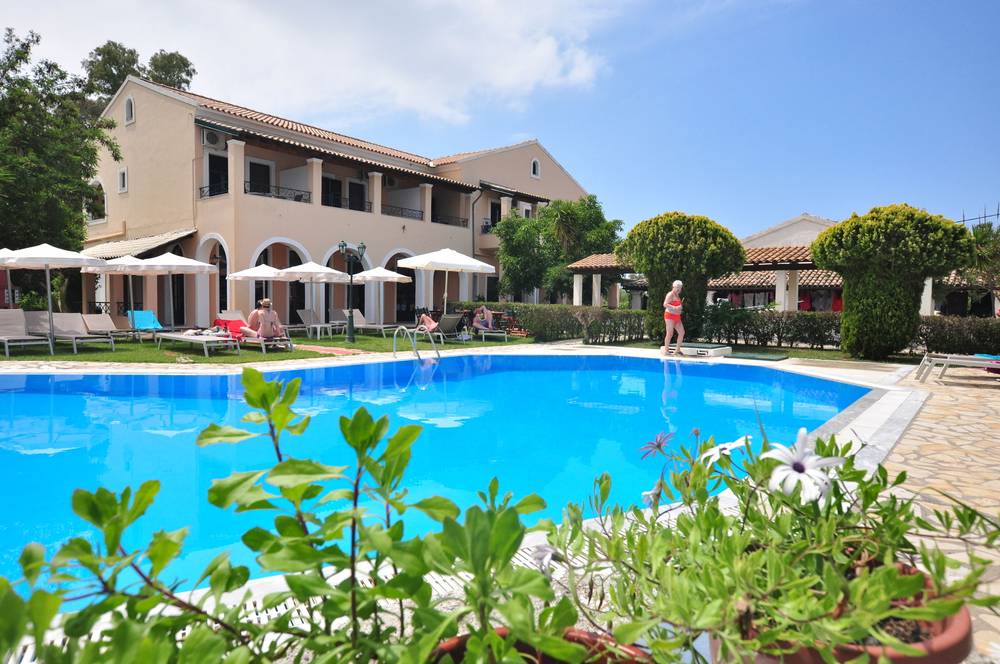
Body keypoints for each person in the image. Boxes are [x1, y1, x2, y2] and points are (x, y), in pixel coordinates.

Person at [662, 280, 684, 355]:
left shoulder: (677, 295)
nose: (678, 289)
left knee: (682, 332)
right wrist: (674, 308)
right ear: (673, 287)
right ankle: (666, 350)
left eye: (680, 287)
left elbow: (677, 306)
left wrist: (679, 309)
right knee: (670, 333)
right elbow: (665, 304)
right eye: (677, 287)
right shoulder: (670, 294)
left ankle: (677, 350)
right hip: (670, 316)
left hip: (677, 316)